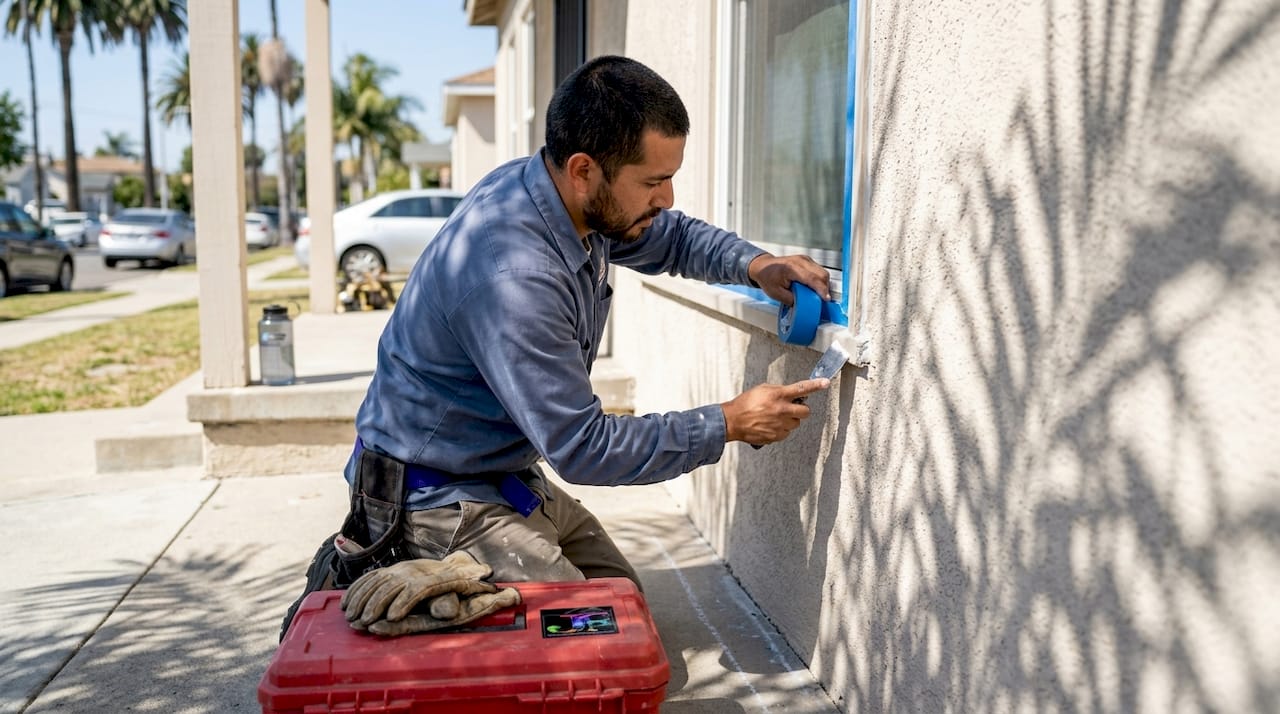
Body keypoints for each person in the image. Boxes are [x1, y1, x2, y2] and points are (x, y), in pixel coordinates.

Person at [322, 56, 833, 632]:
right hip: (432, 500)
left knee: (623, 603)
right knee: (595, 636)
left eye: (670, 177)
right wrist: (727, 422)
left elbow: (670, 235)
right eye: (652, 181)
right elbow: (583, 448)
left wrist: (756, 264)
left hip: (498, 475)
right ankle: (404, 561)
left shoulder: (570, 200)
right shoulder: (514, 273)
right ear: (584, 169)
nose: (666, 197)